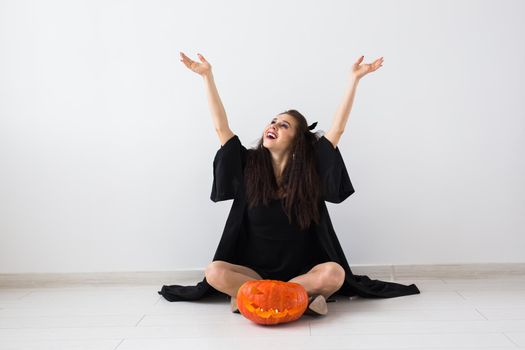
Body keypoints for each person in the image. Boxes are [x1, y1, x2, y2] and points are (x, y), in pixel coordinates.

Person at [158, 52, 420, 316]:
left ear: (297, 141)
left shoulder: (308, 173)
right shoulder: (248, 164)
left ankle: (254, 299)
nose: (273, 126)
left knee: (334, 273)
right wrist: (207, 76)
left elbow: (337, 130)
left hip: (303, 273)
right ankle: (300, 301)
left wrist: (354, 79)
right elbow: (220, 128)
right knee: (214, 272)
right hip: (254, 271)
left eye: (284, 125)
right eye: (273, 121)